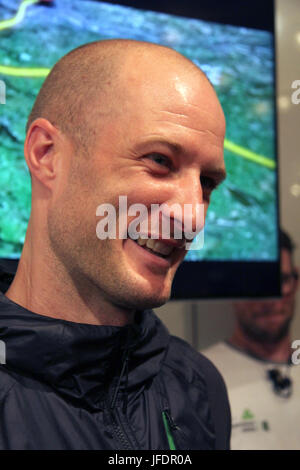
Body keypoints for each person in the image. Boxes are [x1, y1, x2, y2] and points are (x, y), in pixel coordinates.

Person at [0, 39, 230, 450]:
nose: (193, 217)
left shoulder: (199, 385)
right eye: (160, 161)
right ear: (47, 154)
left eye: (207, 183)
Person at [203, 229, 300, 450]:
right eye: (256, 282)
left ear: (295, 281)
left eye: (280, 280)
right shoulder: (202, 375)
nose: (270, 298)